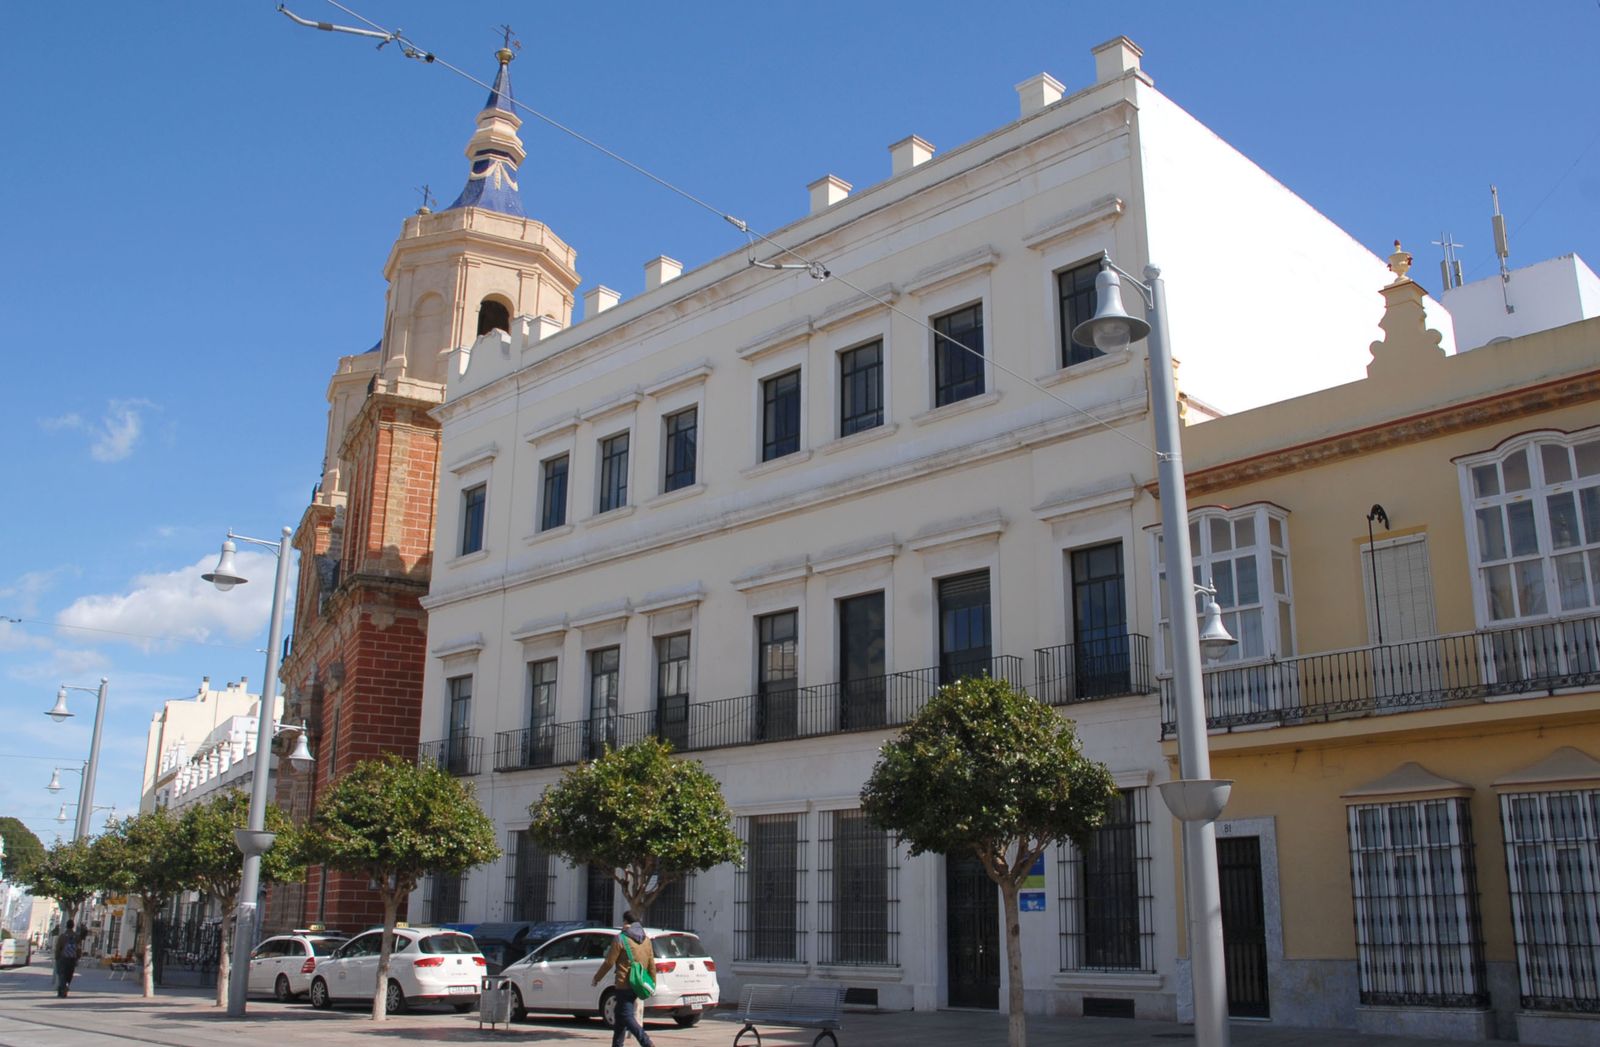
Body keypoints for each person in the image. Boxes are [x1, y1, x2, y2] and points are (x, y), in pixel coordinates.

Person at [592, 911, 657, 1047]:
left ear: (625, 922)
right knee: (620, 1016)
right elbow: (651, 963)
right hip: (638, 983)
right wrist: (652, 983)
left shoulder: (621, 938)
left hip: (624, 983)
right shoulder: (646, 940)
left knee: (626, 1015)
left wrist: (597, 978)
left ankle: (645, 1041)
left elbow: (609, 962)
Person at [53, 919, 80, 998]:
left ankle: (62, 989)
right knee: (69, 974)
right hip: (72, 958)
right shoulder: (76, 937)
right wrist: (77, 958)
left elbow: (58, 948)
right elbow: (78, 948)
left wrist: (57, 957)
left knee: (62, 974)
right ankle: (66, 985)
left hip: (63, 958)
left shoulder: (62, 936)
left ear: (66, 926)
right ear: (73, 926)